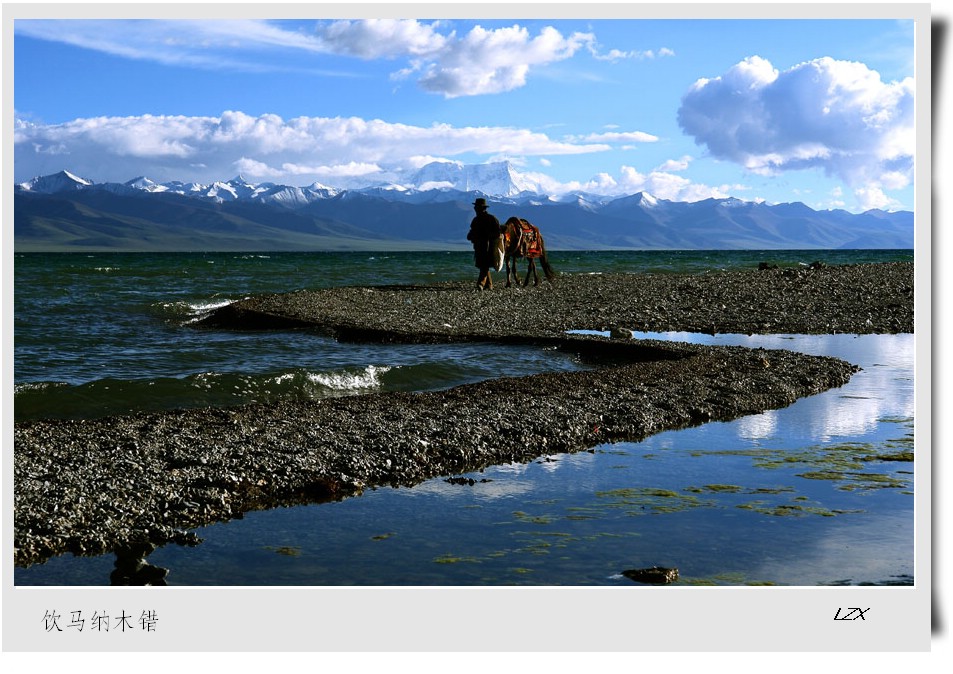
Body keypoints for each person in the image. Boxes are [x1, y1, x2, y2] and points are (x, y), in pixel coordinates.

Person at [466, 197, 501, 290]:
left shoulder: (489, 219)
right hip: (479, 246)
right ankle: (489, 285)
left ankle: (481, 283)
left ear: (482, 208)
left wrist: (488, 237)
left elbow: (498, 233)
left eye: (477, 207)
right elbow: (472, 231)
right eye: (476, 207)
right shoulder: (479, 220)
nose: (475, 209)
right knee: (483, 265)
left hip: (489, 246)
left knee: (484, 265)